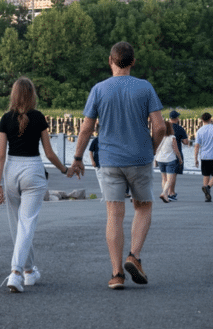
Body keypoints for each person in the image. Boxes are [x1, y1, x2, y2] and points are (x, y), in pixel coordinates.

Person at [68, 41, 166, 290]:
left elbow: (87, 128)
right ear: (133, 62)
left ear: (110, 61)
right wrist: (151, 149)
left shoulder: (99, 90)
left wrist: (78, 157)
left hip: (109, 160)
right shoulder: (145, 88)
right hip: (140, 158)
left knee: (114, 214)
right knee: (143, 208)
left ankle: (116, 274)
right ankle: (134, 256)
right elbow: (161, 126)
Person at [0, 77, 74, 293]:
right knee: (27, 223)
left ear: (14, 94)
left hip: (11, 170)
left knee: (16, 224)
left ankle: (29, 271)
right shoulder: (38, 118)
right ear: (32, 95)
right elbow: (49, 152)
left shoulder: (5, 118)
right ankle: (16, 272)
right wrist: (65, 170)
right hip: (33, 169)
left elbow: (0, 154)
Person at [193, 113, 213, 202]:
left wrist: (195, 159)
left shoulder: (199, 131)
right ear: (210, 119)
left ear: (202, 120)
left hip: (204, 156)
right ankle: (208, 187)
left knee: (206, 175)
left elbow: (196, 146)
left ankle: (207, 195)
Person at [155, 121, 183, 204]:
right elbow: (176, 150)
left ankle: (166, 196)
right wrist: (180, 158)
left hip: (160, 159)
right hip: (170, 160)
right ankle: (164, 193)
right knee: (170, 179)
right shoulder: (172, 137)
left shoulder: (158, 137)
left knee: (164, 178)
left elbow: (155, 148)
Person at [168, 111, 190, 201]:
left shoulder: (164, 127)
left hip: (164, 153)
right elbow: (185, 142)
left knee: (165, 175)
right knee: (173, 174)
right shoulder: (179, 128)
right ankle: (171, 192)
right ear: (177, 118)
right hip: (175, 153)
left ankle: (166, 192)